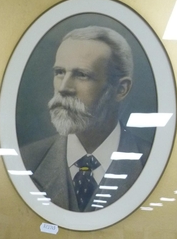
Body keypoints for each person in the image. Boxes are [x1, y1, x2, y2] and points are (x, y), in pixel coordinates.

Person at [20, 25, 152, 212]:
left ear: (121, 89)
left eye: (82, 75)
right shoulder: (26, 161)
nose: (64, 88)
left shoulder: (152, 164)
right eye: (59, 72)